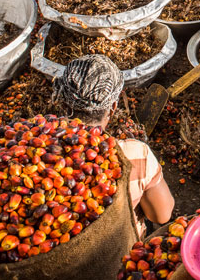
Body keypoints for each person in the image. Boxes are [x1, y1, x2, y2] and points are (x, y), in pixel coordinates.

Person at [51, 56, 174, 234]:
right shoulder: (134, 154)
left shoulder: (36, 150)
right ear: (114, 106)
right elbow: (162, 215)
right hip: (121, 255)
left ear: (62, 104)